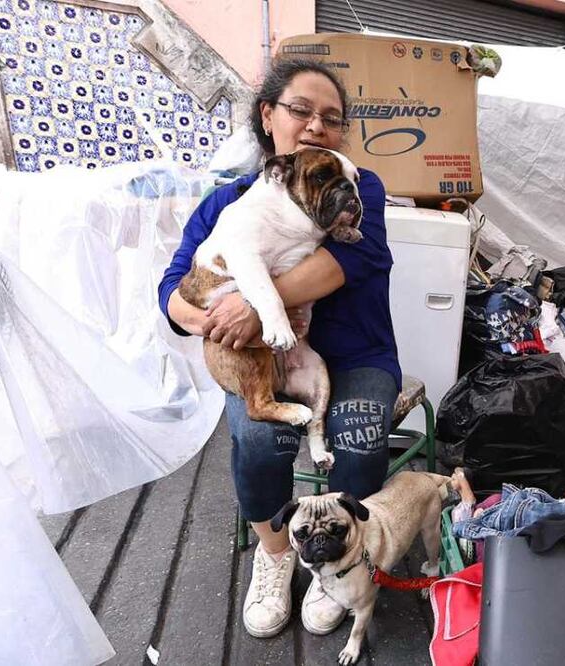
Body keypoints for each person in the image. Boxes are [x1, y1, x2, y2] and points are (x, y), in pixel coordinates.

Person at [158, 59, 401, 638]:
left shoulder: (352, 184)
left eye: (333, 118)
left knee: (360, 436)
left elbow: (358, 256)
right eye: (301, 110)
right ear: (269, 118)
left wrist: (254, 304)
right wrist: (210, 318)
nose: (318, 125)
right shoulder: (230, 202)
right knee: (260, 438)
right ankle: (274, 552)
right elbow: (171, 284)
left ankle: (341, 557)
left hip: (355, 352)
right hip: (261, 359)